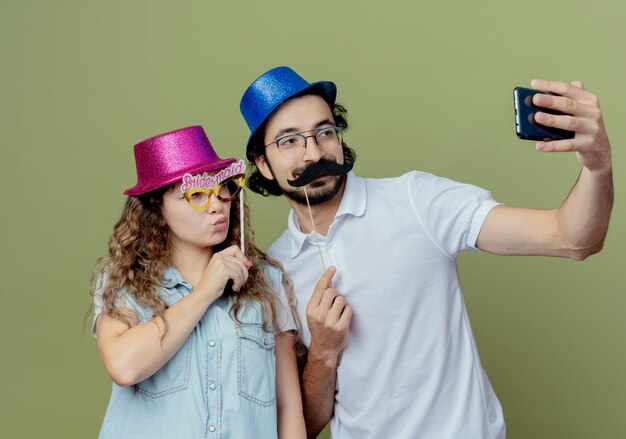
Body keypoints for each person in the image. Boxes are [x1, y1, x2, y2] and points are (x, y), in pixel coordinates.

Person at [238, 66, 613, 439]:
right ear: (262, 165)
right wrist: (322, 352)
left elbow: (573, 239)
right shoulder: (274, 275)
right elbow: (303, 427)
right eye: (289, 141)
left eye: (324, 132)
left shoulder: (417, 201)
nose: (313, 152)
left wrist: (598, 165)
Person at [89, 125, 306, 438]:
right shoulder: (123, 281)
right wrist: (205, 292)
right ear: (157, 211)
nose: (216, 205)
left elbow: (287, 407)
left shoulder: (267, 282)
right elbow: (124, 367)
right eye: (196, 195)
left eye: (222, 190)